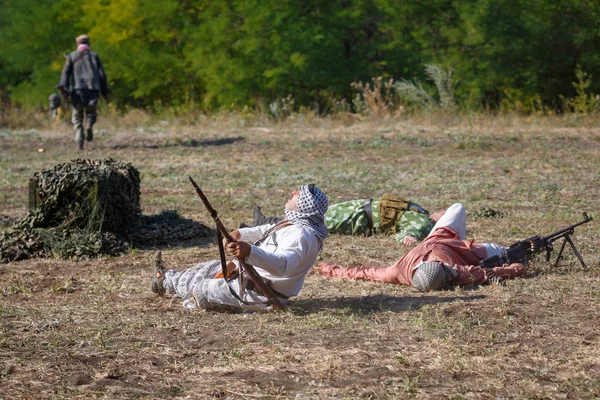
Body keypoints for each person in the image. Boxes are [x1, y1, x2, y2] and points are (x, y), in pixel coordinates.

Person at [150, 184, 329, 312]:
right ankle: (163, 280)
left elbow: (282, 266)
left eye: (298, 194)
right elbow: (265, 230)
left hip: (259, 294)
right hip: (246, 277)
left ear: (305, 205)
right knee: (208, 269)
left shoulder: (302, 235)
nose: (293, 192)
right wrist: (239, 234)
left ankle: (191, 298)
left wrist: (249, 251)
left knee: (201, 289)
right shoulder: (292, 225)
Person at [316, 203, 527, 291]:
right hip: (466, 251)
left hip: (438, 235)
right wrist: (514, 267)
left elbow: (363, 273)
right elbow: (482, 272)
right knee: (504, 252)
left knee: (457, 208)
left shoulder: (396, 272)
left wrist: (329, 270)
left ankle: (438, 219)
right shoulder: (456, 272)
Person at [249, 194, 445, 247]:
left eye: (445, 214)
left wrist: (410, 237)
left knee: (312, 219)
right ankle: (266, 222)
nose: (442, 211)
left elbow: (410, 233)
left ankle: (264, 224)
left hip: (359, 218)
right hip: (359, 208)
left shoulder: (425, 223)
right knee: (319, 214)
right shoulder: (422, 213)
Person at [56, 34, 109, 150]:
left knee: (77, 116)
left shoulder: (72, 56)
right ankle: (89, 124)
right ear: (89, 44)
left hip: (77, 90)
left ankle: (79, 139)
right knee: (91, 113)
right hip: (93, 90)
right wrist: (105, 92)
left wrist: (63, 86)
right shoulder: (94, 57)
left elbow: (65, 73)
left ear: (77, 44)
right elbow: (102, 75)